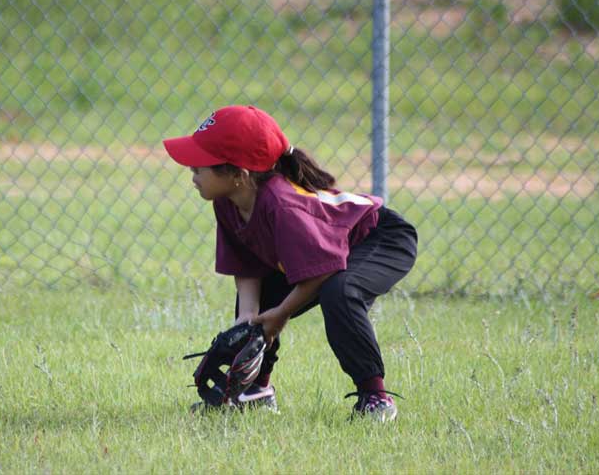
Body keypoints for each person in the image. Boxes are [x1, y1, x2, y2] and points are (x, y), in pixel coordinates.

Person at [163, 105, 417, 421]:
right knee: (261, 300)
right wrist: (248, 319)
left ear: (238, 174)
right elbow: (247, 265)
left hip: (380, 238)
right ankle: (254, 391)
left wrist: (280, 315)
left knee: (339, 290)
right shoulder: (228, 202)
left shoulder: (281, 205)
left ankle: (375, 397)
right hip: (331, 249)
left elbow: (323, 269)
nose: (192, 175)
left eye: (199, 167)